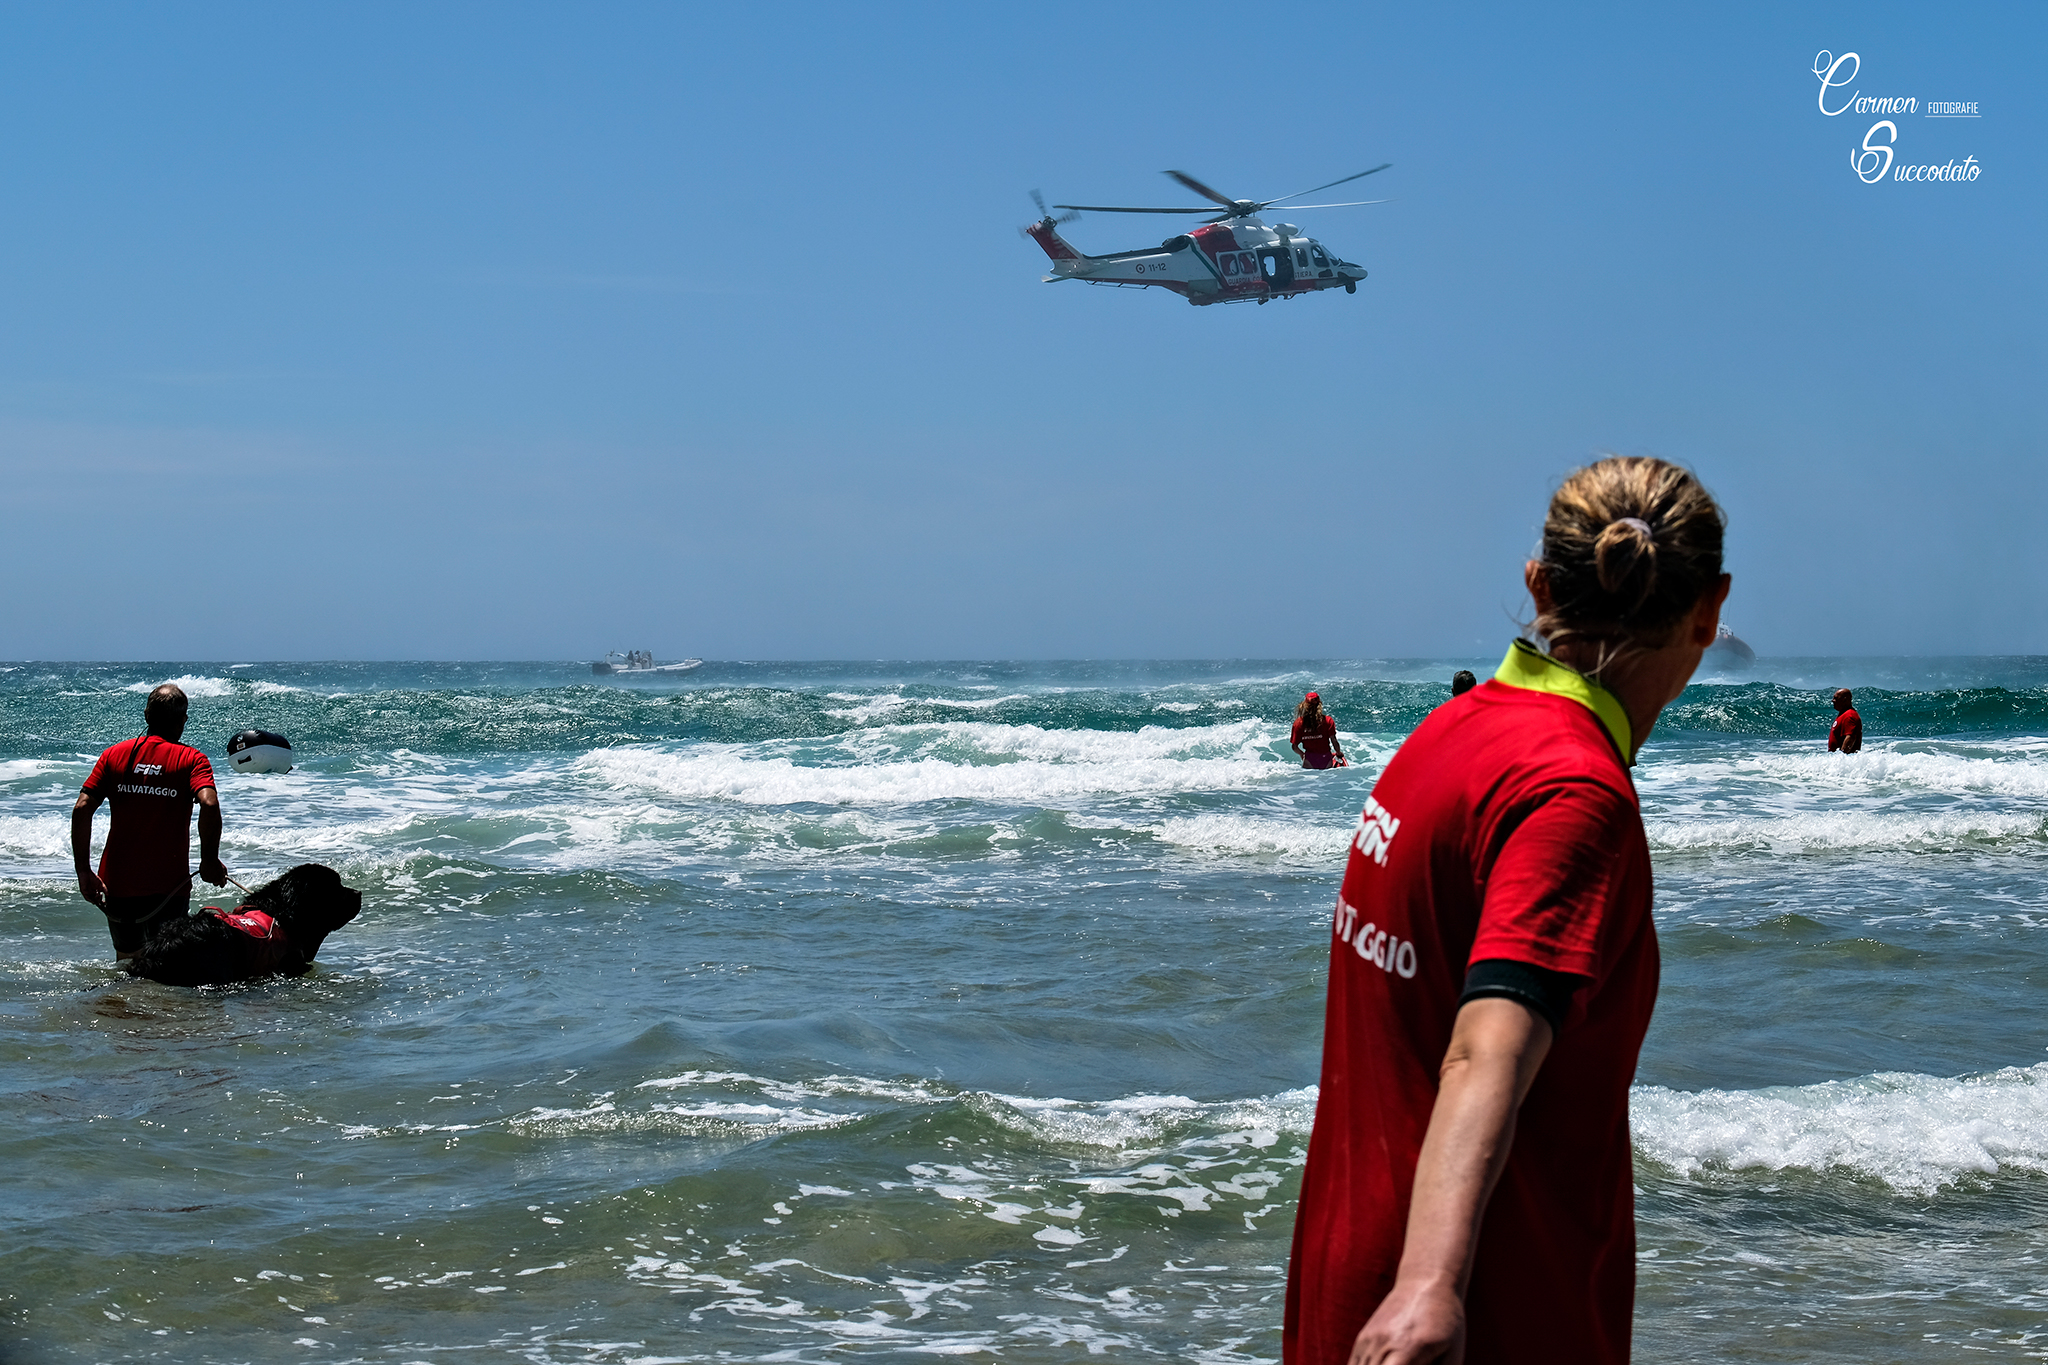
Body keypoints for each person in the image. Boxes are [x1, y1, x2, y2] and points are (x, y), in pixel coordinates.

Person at [1284, 456, 1731, 1365]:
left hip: (1348, 1293)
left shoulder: (1444, 738)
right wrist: (1430, 1285)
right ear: (1710, 610)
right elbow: (1487, 1043)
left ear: (1536, 583)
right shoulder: (1571, 792)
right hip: (1482, 1316)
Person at [72, 683, 228, 959]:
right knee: (168, 967)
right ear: (183, 720)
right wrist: (210, 860)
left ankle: (120, 1004)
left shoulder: (114, 755)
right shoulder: (191, 760)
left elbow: (83, 807)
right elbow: (209, 802)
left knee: (128, 963)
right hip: (169, 887)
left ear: (146, 715)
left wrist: (84, 870)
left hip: (118, 884)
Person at [1292, 692, 1347, 770]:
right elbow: (1334, 741)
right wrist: (1338, 752)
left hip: (1309, 760)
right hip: (1326, 759)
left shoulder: (1298, 723)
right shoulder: (1328, 720)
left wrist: (1302, 754)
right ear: (1319, 705)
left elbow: (1294, 747)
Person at [1828, 688, 1863, 754]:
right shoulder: (1843, 714)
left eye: (1835, 698)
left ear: (1844, 699)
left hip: (1845, 761)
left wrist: (1841, 758)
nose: (1833, 701)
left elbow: (1851, 737)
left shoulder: (1849, 715)